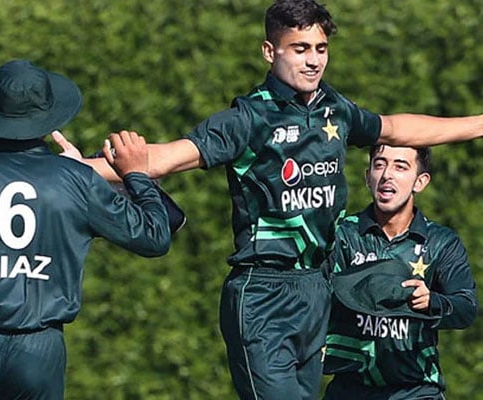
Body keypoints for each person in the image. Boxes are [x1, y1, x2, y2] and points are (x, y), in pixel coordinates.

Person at [53, 0, 483, 398]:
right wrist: (75, 170)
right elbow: (163, 159)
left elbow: (396, 128)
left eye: (320, 47)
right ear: (268, 51)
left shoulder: (334, 108)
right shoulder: (248, 118)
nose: (313, 59)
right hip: (263, 294)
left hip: (318, 288)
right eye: (298, 48)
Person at [0, 60, 172, 400]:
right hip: (40, 350)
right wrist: (137, 175)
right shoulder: (77, 181)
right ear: (49, 114)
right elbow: (154, 237)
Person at [322, 145, 478, 399]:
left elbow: (467, 308)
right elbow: (312, 298)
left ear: (420, 182)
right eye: (379, 164)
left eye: (400, 166)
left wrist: (432, 302)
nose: (387, 175)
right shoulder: (342, 235)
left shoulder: (442, 242)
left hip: (417, 391)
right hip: (348, 388)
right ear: (367, 176)